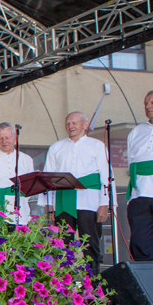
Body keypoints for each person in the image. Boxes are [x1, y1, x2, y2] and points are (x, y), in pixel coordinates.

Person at [38, 111, 110, 272]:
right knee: (63, 244)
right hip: (63, 199)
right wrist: (49, 205)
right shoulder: (56, 147)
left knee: (90, 243)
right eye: (67, 123)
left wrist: (104, 203)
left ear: (85, 124)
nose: (70, 126)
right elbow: (48, 177)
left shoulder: (97, 145)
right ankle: (66, 281)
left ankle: (94, 282)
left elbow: (106, 176)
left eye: (74, 123)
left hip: (89, 201)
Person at [127, 91, 153, 261]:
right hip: (140, 194)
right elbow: (131, 163)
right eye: (146, 103)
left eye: (152, 103)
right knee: (140, 243)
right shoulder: (136, 132)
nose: (148, 106)